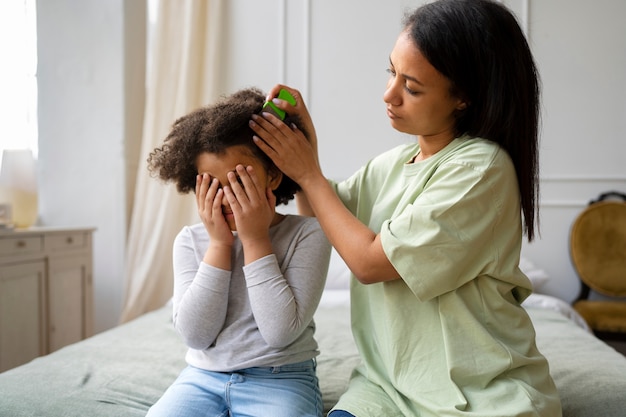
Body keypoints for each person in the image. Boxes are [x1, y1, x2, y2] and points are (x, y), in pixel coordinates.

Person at [249, 0, 562, 416]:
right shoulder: (391, 166)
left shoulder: (482, 169)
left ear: (463, 98)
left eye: (411, 87)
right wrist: (308, 146)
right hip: (386, 388)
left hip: (482, 394)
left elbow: (369, 263)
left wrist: (308, 173)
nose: (389, 94)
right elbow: (319, 219)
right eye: (391, 73)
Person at [145, 87, 331, 417]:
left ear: (272, 176)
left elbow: (280, 332)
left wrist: (256, 239)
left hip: (282, 379)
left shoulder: (308, 234)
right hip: (203, 377)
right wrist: (219, 245)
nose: (226, 198)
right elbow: (195, 336)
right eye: (212, 185)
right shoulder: (189, 241)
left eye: (237, 182)